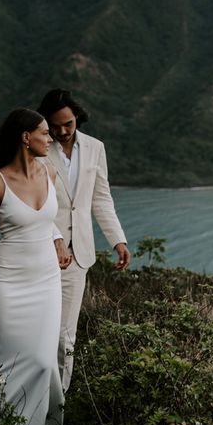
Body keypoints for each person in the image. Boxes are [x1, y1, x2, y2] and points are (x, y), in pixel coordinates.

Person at [0, 107, 71, 425]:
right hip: (8, 283)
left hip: (46, 281)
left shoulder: (50, 174)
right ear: (25, 138)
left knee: (45, 362)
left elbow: (48, 222)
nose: (52, 138)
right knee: (11, 366)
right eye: (45, 133)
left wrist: (58, 240)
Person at [37, 89, 130, 393]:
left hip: (79, 257)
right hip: (40, 251)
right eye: (55, 126)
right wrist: (56, 238)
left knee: (66, 337)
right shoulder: (37, 148)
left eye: (68, 124)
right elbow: (35, 200)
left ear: (77, 117)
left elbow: (100, 198)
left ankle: (56, 408)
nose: (62, 131)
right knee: (39, 333)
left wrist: (118, 240)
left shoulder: (95, 148)